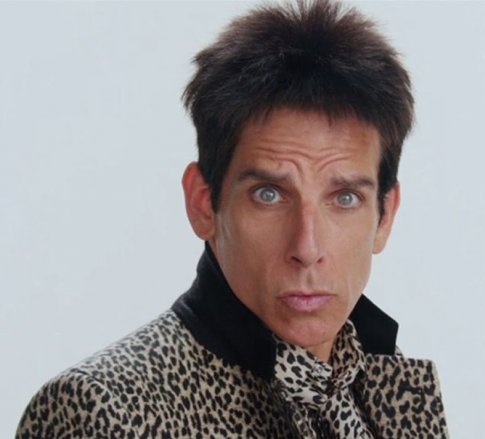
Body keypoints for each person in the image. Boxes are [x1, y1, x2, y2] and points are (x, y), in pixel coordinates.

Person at [16, 1, 448, 437]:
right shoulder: (101, 410)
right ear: (204, 203)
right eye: (269, 195)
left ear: (385, 215)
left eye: (345, 198)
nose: (307, 248)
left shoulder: (388, 390)